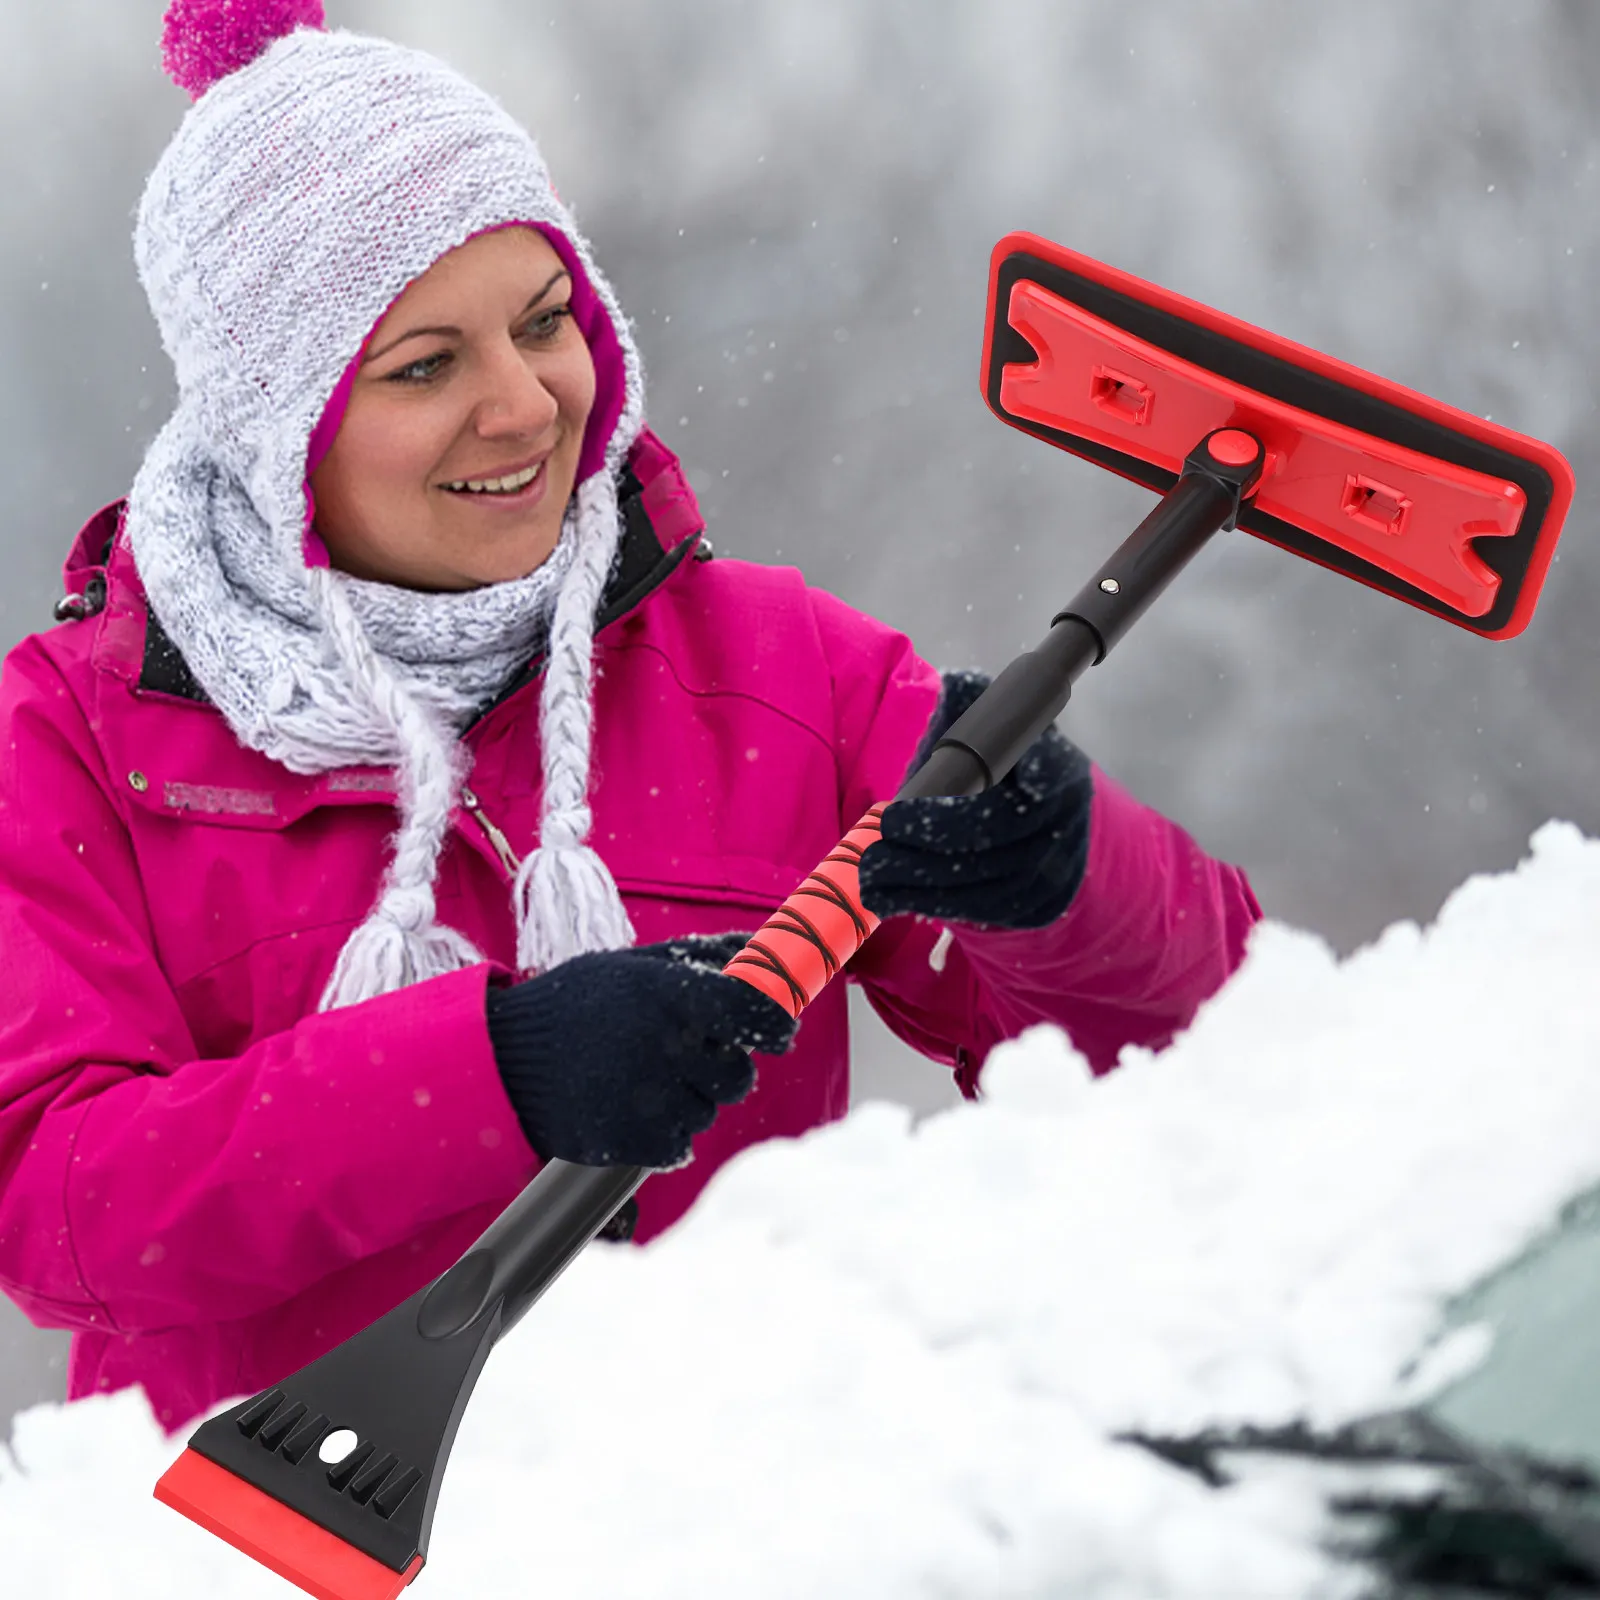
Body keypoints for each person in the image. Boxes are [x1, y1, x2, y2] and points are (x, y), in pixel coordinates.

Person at [0, 0, 1261, 1437]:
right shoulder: (72, 742)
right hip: (273, 1544)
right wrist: (491, 1077)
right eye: (424, 365)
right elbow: (59, 1204)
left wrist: (1069, 880)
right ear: (274, 424)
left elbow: (1215, 1063)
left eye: (547, 325)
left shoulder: (782, 671)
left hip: (726, 1520)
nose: (523, 404)